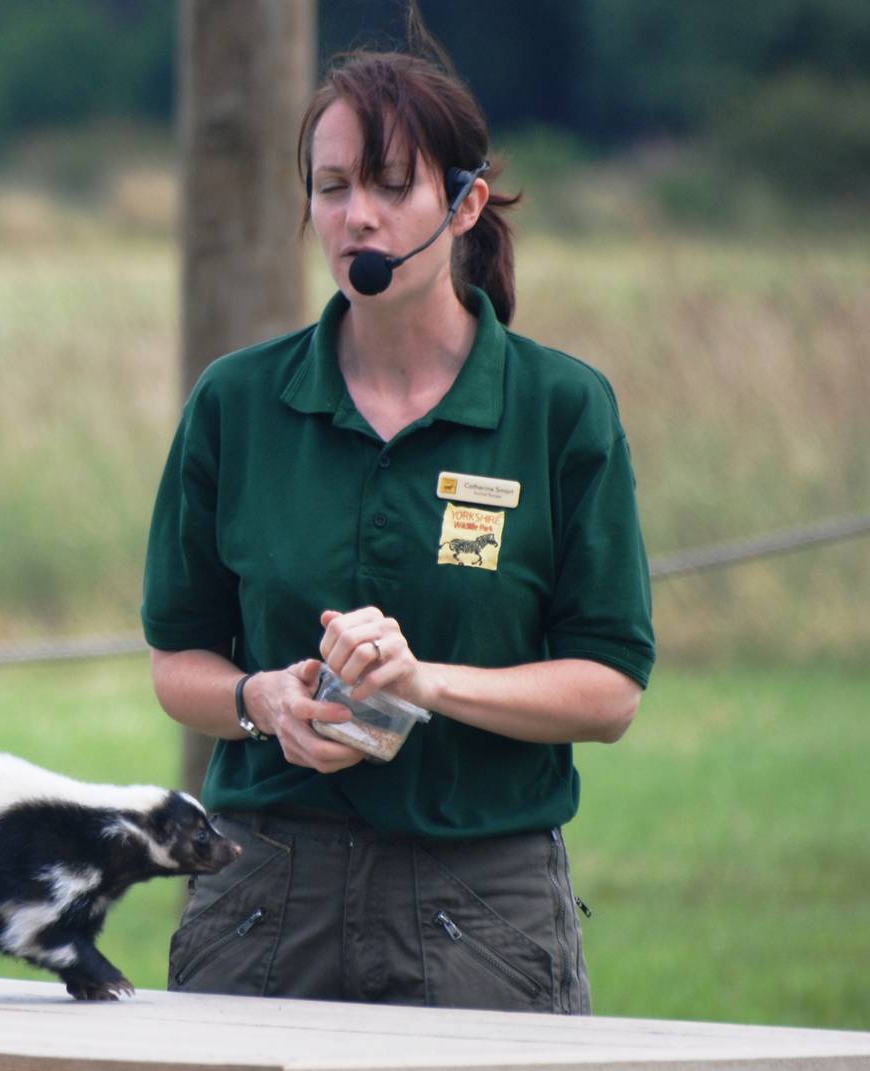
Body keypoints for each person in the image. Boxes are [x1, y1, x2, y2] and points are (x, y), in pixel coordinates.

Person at [140, 25, 654, 1015]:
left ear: (463, 204)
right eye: (332, 188)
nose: (355, 217)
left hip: (482, 900)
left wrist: (424, 684)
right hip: (262, 894)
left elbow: (609, 692)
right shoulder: (234, 402)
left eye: (388, 184)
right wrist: (262, 702)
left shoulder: (559, 408)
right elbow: (177, 666)